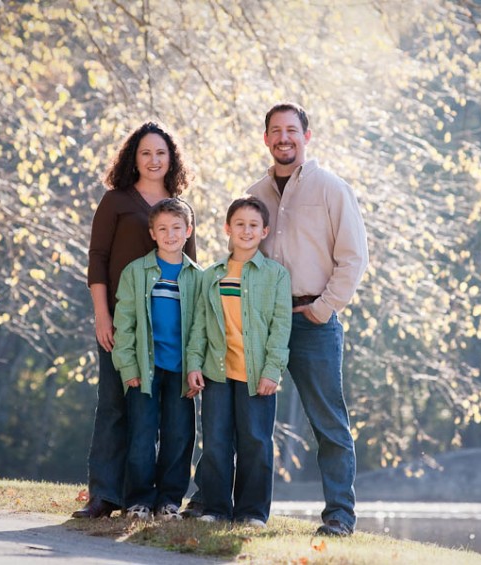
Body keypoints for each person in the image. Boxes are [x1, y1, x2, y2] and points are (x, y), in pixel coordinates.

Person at [246, 103, 369, 536]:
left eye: (292, 130)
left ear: (306, 136)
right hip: (263, 324)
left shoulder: (332, 189)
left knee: (329, 423)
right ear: (265, 138)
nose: (284, 138)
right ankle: (250, 511)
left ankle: (339, 515)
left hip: (314, 320)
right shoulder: (254, 194)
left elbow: (354, 258)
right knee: (253, 420)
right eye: (275, 131)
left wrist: (323, 308)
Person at [74, 122, 197, 519]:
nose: (154, 160)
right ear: (134, 157)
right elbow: (98, 259)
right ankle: (104, 494)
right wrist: (102, 315)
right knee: (114, 405)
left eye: (161, 153)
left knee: (166, 417)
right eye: (146, 153)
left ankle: (152, 499)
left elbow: (193, 271)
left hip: (167, 331)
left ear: (171, 158)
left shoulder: (179, 207)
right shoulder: (116, 201)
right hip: (122, 325)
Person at [185, 196, 291, 528]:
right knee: (215, 442)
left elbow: (280, 327)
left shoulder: (275, 275)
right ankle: (216, 508)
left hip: (258, 374)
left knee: (256, 444)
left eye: (253, 225)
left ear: (265, 231)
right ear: (228, 228)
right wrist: (193, 364)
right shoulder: (211, 274)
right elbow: (199, 323)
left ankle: (252, 512)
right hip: (217, 373)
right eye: (240, 224)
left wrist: (273, 370)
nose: (246, 231)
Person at [111, 198, 202, 520]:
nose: (170, 234)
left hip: (181, 372)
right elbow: (124, 324)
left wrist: (195, 367)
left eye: (177, 228)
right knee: (142, 436)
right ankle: (138, 500)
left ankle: (169, 501)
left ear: (188, 231)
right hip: (145, 370)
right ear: (152, 233)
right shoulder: (136, 272)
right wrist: (128, 367)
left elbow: (200, 329)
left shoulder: (198, 277)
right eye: (162, 228)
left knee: (179, 438)